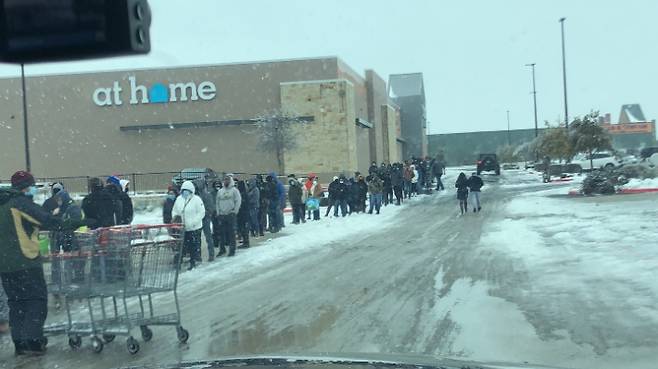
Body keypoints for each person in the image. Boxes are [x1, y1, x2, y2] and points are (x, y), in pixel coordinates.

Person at [0, 171, 85, 355]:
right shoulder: (20, 204)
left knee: (16, 303)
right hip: (25, 262)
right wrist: (76, 223)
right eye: (32, 186)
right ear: (27, 186)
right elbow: (46, 220)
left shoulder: (3, 204)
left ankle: (20, 343)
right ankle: (33, 342)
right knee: (36, 301)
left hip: (5, 266)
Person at [171, 180, 205, 270]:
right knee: (182, 246)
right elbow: (174, 210)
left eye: (187, 190)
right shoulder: (179, 199)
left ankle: (193, 262)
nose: (185, 192)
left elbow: (201, 212)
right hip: (183, 228)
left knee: (193, 246)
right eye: (183, 190)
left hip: (194, 228)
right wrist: (175, 218)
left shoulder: (196, 200)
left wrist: (193, 222)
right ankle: (179, 262)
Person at [215, 175, 241, 257]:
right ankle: (222, 249)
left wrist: (235, 211)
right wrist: (218, 212)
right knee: (221, 234)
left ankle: (232, 250)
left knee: (231, 233)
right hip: (222, 215)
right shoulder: (220, 191)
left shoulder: (234, 191)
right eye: (224, 180)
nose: (226, 181)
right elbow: (217, 202)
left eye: (227, 180)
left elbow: (238, 201)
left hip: (231, 214)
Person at [195, 179, 215, 261]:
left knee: (207, 237)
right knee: (198, 238)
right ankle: (198, 256)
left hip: (205, 219)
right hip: (199, 219)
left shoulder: (206, 195)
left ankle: (211, 254)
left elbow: (210, 208)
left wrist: (203, 213)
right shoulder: (196, 196)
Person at [235, 179, 251, 248]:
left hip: (242, 214)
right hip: (244, 213)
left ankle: (246, 242)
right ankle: (245, 240)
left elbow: (243, 204)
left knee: (243, 228)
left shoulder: (242, 195)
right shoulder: (245, 193)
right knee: (243, 228)